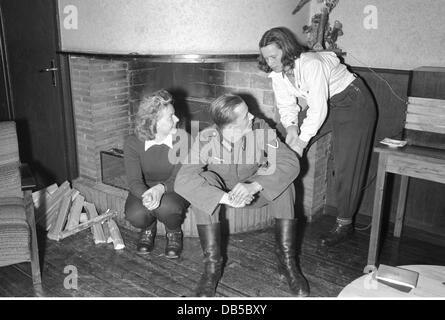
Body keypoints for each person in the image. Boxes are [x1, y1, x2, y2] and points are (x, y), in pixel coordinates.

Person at [174, 94, 309, 297]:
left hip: (256, 193)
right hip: (224, 194)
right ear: (231, 126)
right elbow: (183, 180)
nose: (253, 116)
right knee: (203, 179)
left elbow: (290, 162)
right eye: (246, 115)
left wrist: (255, 185)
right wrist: (225, 198)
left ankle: (287, 262)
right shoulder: (206, 138)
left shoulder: (261, 129)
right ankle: (212, 268)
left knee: (284, 180)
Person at [258, 27, 377, 247]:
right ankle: (279, 205)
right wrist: (292, 129)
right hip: (326, 103)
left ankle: (344, 224)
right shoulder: (276, 73)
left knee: (345, 165)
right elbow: (286, 105)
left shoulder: (311, 64)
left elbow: (318, 110)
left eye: (274, 56)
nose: (270, 62)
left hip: (353, 102)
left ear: (286, 50)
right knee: (285, 144)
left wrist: (302, 142)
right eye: (266, 57)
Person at [124, 89, 189, 259]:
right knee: (135, 215)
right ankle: (148, 228)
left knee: (168, 208)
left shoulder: (184, 139)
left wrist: (161, 189)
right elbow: (134, 180)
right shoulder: (132, 143)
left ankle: (174, 232)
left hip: (176, 187)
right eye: (170, 117)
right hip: (147, 188)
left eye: (174, 114)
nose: (176, 119)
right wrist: (146, 195)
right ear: (153, 123)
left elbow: (180, 177)